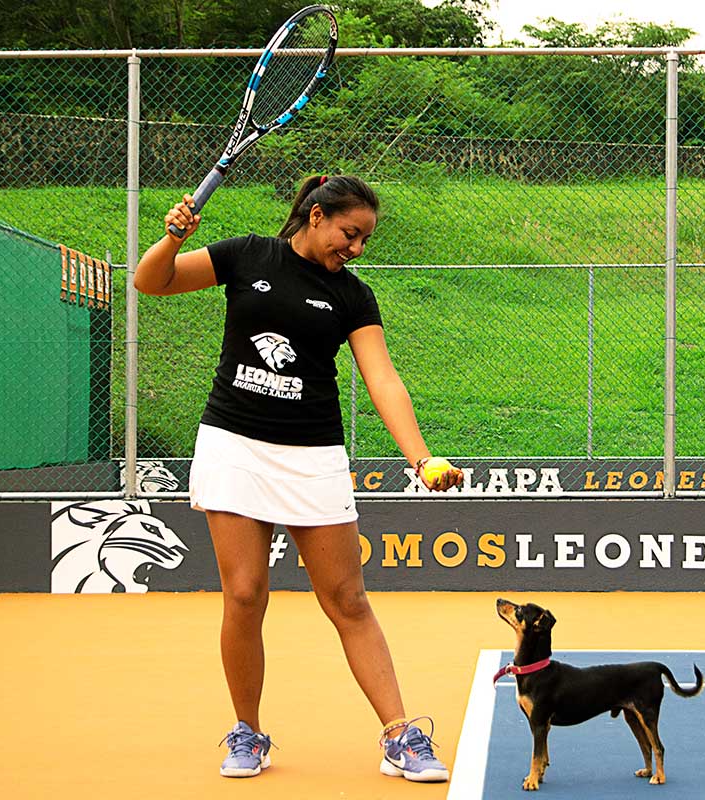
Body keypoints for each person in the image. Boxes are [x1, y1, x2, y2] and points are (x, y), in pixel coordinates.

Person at [134, 174, 464, 783]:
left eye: (365, 238)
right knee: (244, 593)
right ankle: (247, 732)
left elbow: (382, 379)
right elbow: (151, 281)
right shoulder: (246, 255)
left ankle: (401, 736)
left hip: (312, 453)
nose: (357, 248)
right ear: (315, 216)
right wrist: (171, 239)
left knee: (347, 600)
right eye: (350, 232)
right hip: (234, 444)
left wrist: (420, 459)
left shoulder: (354, 297)